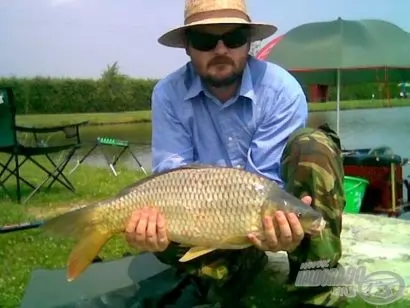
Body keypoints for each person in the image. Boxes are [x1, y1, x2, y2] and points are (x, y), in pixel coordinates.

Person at [125, 0, 346, 307]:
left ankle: (314, 285)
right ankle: (232, 269)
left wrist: (280, 226)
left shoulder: (282, 89)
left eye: (233, 38)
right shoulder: (168, 93)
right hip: (202, 214)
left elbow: (265, 182)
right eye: (204, 40)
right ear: (187, 46)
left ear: (249, 43)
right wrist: (148, 226)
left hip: (261, 205)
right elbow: (170, 176)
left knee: (314, 146)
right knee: (161, 230)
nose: (220, 50)